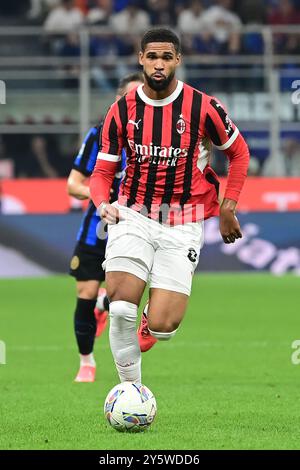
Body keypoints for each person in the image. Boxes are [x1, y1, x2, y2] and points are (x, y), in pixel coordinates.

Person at [90, 28, 250, 385]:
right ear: (140, 58)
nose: (159, 64)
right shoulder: (120, 111)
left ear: (177, 59)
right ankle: (130, 391)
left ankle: (152, 321)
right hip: (132, 213)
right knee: (119, 309)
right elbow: (102, 171)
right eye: (152, 57)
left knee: (164, 326)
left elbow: (238, 153)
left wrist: (228, 205)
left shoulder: (203, 106)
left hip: (184, 221)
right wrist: (103, 203)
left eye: (166, 57)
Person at [67, 72, 144, 383]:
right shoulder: (99, 134)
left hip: (137, 227)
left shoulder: (159, 138)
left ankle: (105, 303)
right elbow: (73, 185)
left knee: (130, 294)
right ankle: (86, 362)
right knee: (84, 292)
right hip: (96, 229)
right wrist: (102, 199)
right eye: (131, 99)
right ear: (117, 101)